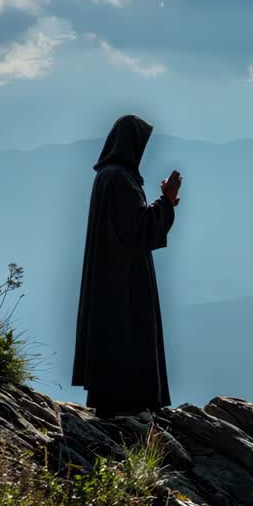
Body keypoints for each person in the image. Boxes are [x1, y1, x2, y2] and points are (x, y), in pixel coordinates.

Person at [73, 115, 183, 419]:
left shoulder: (108, 177)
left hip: (111, 273)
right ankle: (129, 403)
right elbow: (136, 232)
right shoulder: (120, 180)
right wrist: (167, 201)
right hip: (125, 278)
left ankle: (114, 399)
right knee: (127, 332)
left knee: (113, 333)